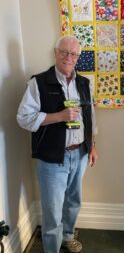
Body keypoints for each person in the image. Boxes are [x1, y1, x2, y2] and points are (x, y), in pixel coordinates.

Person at [17, 35, 98, 253]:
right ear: (55, 53)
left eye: (73, 54)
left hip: (79, 154)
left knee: (73, 202)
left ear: (78, 57)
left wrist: (92, 146)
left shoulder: (84, 83)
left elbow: (90, 117)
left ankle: (67, 237)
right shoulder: (38, 82)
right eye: (64, 52)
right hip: (52, 158)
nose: (68, 57)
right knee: (52, 211)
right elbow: (23, 118)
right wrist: (59, 116)